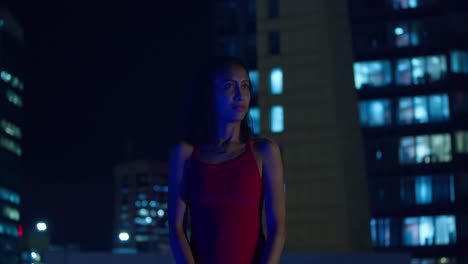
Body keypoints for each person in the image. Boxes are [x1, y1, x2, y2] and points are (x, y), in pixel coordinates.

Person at [168, 56, 286, 264]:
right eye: (229, 86)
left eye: (245, 86)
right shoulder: (185, 154)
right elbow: (176, 225)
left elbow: (277, 228)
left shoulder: (265, 152)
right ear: (210, 95)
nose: (240, 95)